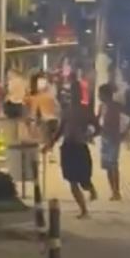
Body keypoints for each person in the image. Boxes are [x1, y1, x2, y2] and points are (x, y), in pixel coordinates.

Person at [46, 87, 97, 218]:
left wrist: (90, 136)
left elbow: (98, 127)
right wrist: (50, 144)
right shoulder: (67, 112)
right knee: (72, 181)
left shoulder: (86, 111)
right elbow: (60, 130)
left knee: (83, 179)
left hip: (80, 147)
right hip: (68, 147)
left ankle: (91, 190)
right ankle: (84, 210)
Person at [96, 83, 127, 201]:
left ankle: (117, 191)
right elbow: (97, 121)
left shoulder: (116, 106)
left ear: (105, 94)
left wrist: (124, 132)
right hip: (105, 138)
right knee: (108, 166)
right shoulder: (102, 106)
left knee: (113, 165)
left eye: (100, 94)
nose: (98, 96)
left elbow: (128, 117)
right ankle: (113, 191)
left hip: (113, 138)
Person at [29, 72, 60, 147]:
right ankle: (51, 155)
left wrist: (32, 127)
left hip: (46, 122)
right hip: (55, 121)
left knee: (46, 143)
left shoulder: (37, 98)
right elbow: (58, 108)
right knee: (52, 143)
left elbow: (33, 114)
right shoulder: (51, 97)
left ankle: (46, 157)